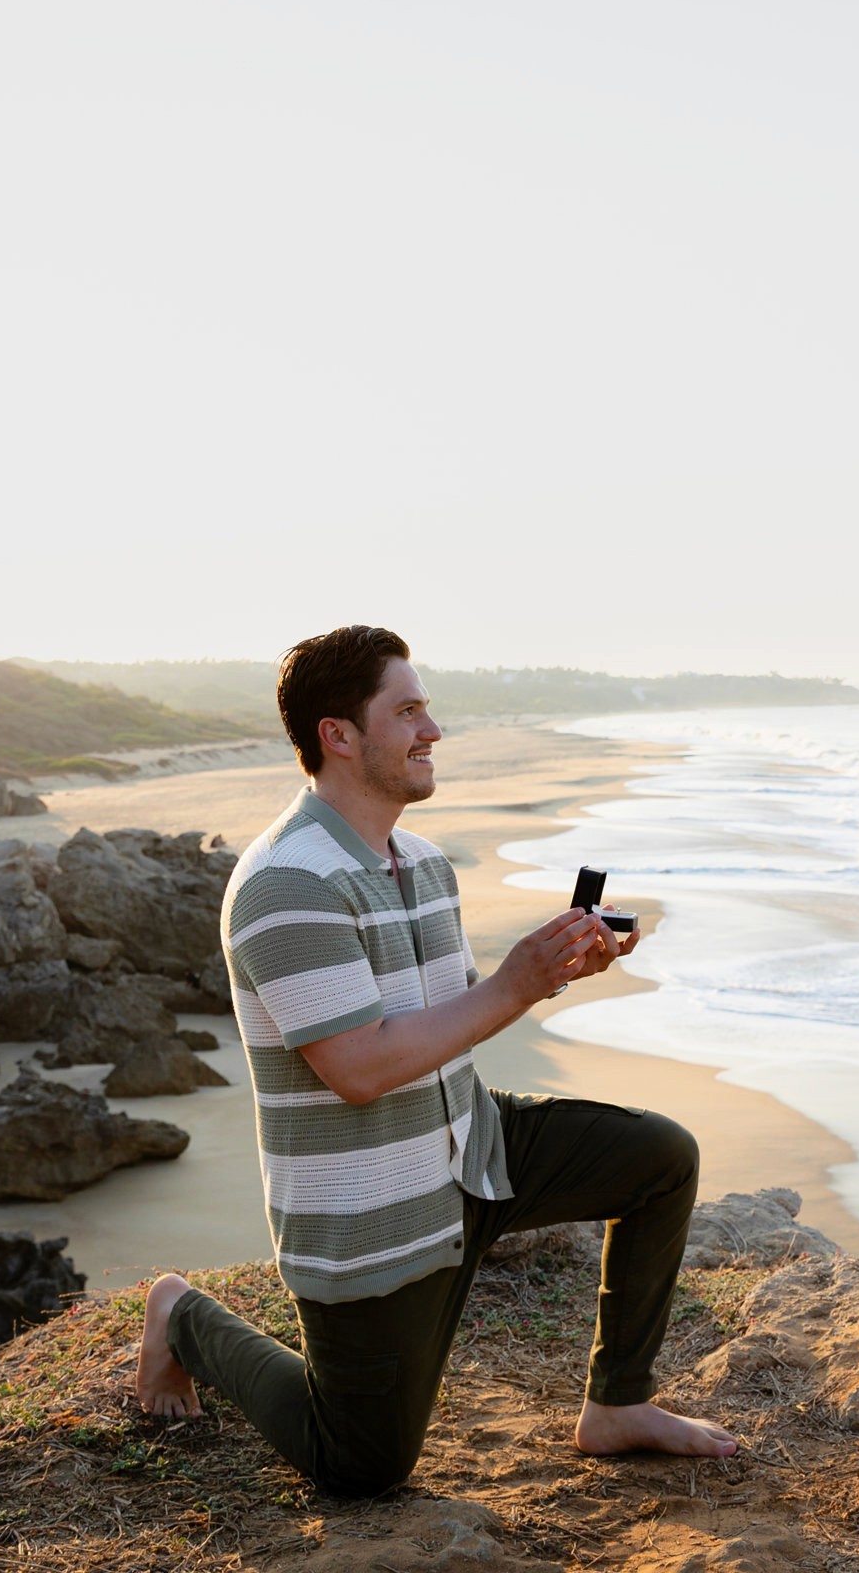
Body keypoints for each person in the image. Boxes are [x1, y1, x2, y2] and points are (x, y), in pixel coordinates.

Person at [131, 624, 737, 1493]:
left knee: (660, 1158)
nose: (432, 729)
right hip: (371, 1204)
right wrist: (516, 984)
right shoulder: (285, 884)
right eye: (407, 710)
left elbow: (451, 1020)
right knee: (361, 1466)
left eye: (427, 707)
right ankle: (180, 1316)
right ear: (338, 736)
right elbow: (361, 1070)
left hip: (473, 1150)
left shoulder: (422, 861)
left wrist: (560, 965)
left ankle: (617, 1405)